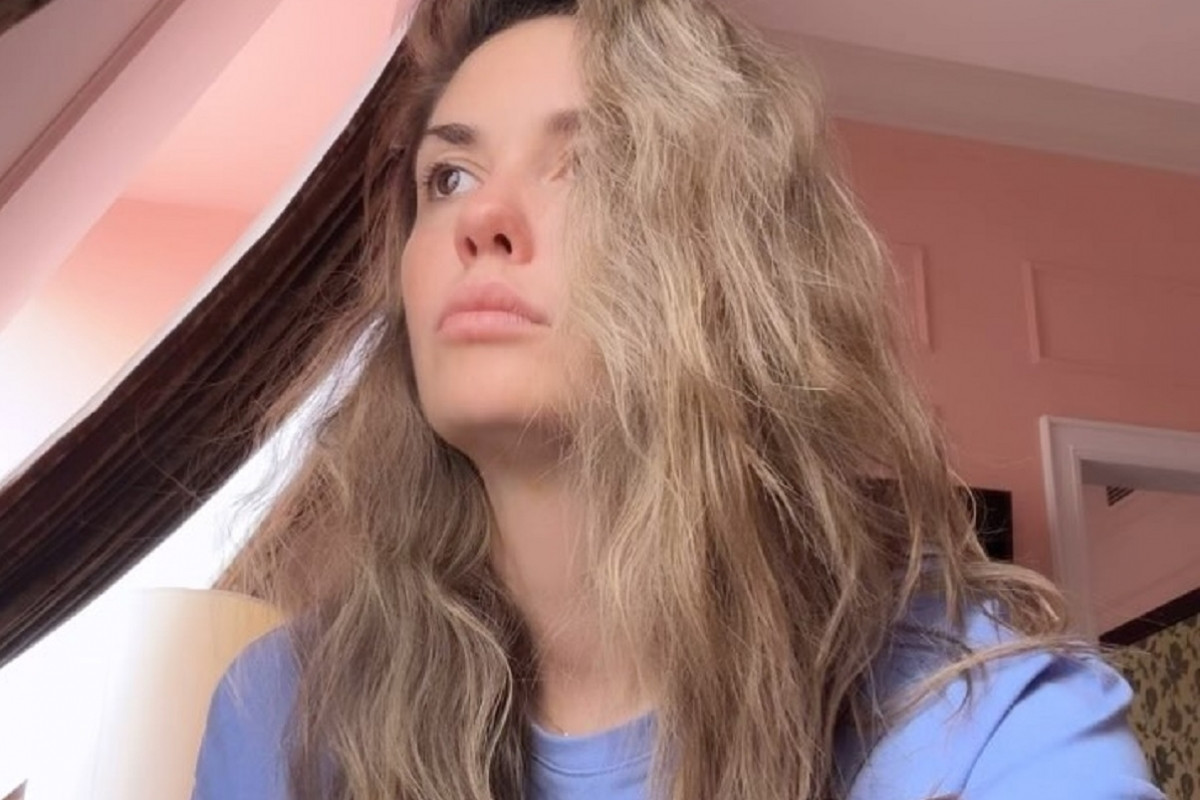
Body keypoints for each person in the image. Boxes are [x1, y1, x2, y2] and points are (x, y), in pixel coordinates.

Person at [191, 0, 1164, 798]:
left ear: (733, 264)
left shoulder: (980, 716)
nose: (480, 216)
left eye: (590, 163)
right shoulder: (282, 714)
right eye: (448, 175)